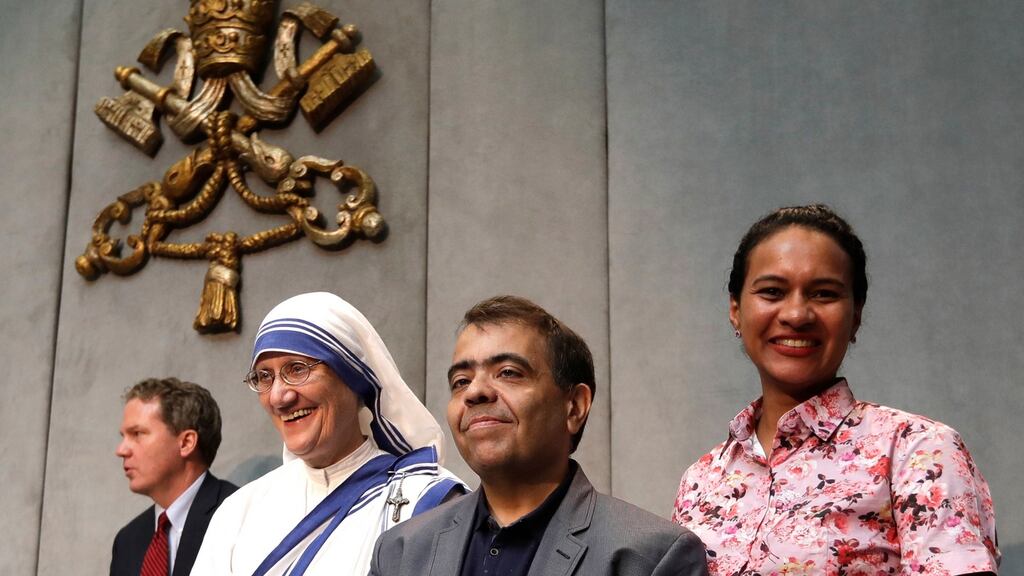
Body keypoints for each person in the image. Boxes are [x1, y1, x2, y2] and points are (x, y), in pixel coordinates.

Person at [672, 204, 1000, 575]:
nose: (797, 314)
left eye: (824, 294)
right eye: (773, 291)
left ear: (856, 315)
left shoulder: (917, 449)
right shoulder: (702, 479)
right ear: (735, 309)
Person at [371, 295, 709, 576]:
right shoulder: (401, 552)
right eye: (461, 381)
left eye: (508, 373)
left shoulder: (648, 557)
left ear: (574, 406)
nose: (475, 392)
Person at [190, 292, 465, 576]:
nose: (278, 397)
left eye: (297, 370)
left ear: (353, 378)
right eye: (264, 377)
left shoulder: (428, 501)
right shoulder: (238, 512)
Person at [111, 377, 237, 576]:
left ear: (186, 442)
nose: (121, 450)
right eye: (123, 437)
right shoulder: (127, 541)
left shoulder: (240, 515)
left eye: (137, 434)